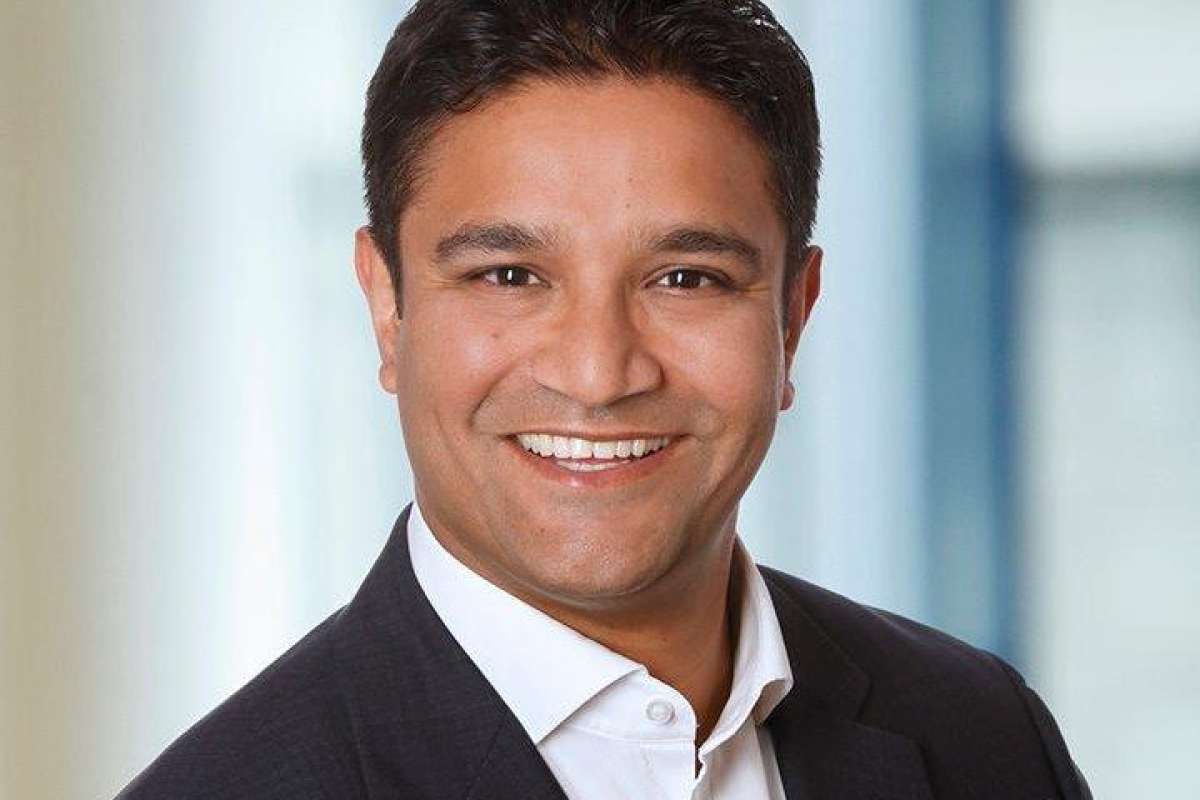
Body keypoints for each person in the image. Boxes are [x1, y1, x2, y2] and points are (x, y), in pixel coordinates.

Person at [117, 1, 1090, 797]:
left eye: (687, 279)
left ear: (793, 316)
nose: (598, 373)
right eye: (508, 276)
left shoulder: (986, 737)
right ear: (387, 307)